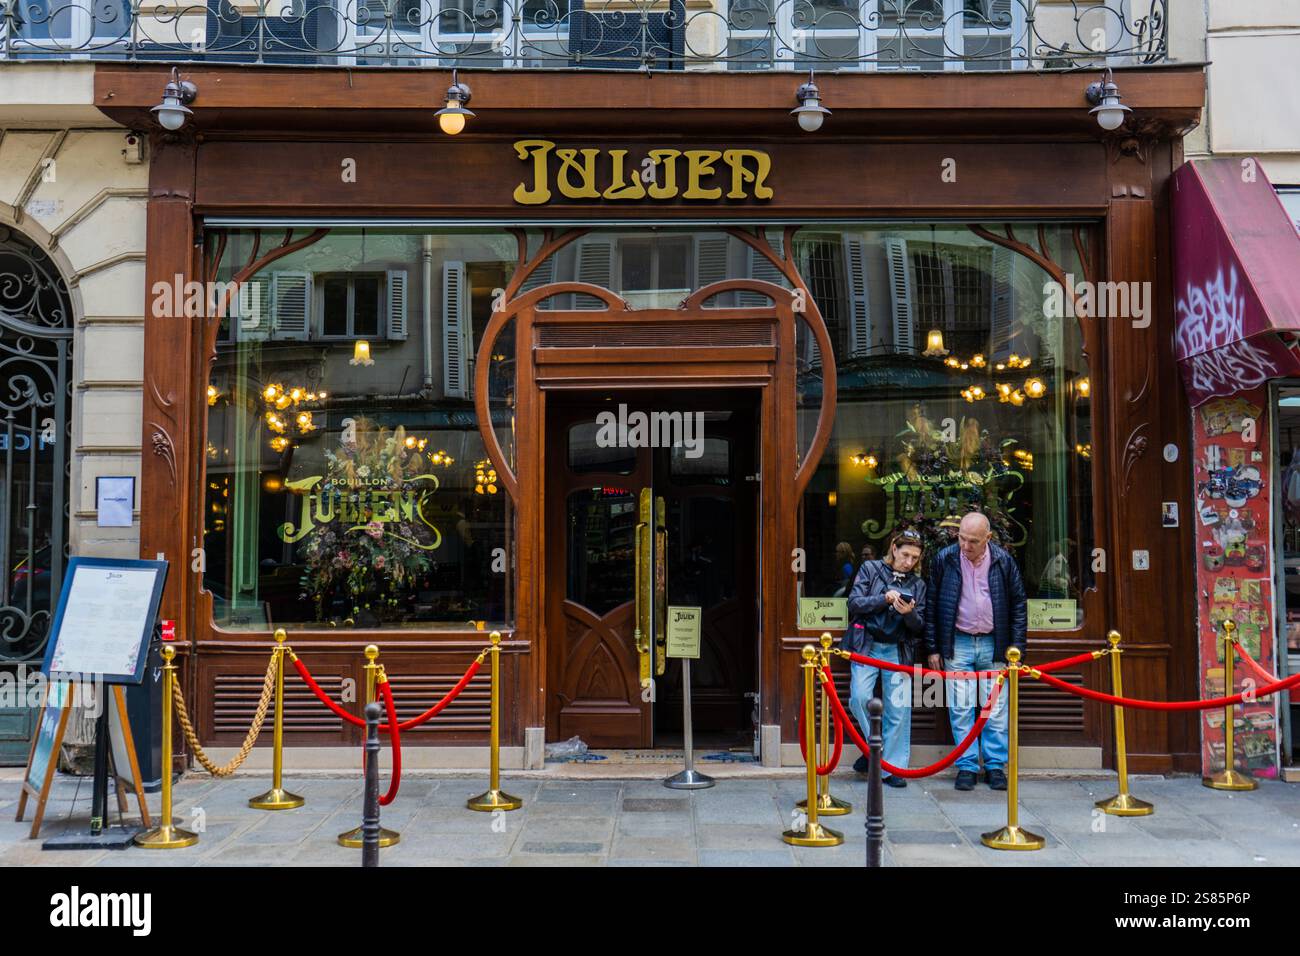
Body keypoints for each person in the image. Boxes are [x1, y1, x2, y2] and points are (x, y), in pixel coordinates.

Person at [923, 511, 1027, 792]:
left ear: (988, 539)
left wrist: (1015, 650)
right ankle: (967, 765)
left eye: (972, 541)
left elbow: (1018, 606)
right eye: (962, 538)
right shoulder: (945, 559)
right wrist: (933, 647)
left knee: (995, 709)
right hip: (958, 643)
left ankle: (994, 766)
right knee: (960, 708)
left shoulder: (1004, 562)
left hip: (995, 644)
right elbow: (932, 605)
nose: (965, 546)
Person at [845, 528, 927, 788]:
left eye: (914, 558)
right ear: (894, 548)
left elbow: (919, 625)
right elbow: (854, 604)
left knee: (898, 711)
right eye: (905, 555)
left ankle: (893, 769)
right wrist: (884, 599)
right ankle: (876, 752)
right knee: (859, 698)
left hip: (897, 649)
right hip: (866, 645)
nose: (909, 562)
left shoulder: (918, 584)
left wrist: (908, 613)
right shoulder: (870, 569)